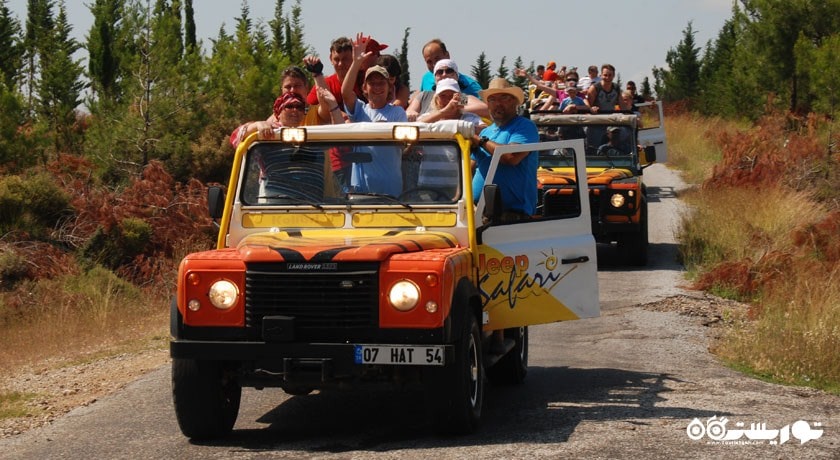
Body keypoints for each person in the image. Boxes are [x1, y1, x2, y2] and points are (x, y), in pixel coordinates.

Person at [342, 33, 407, 196]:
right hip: (361, 191)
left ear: (389, 87)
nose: (377, 87)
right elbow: (345, 92)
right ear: (364, 88)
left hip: (391, 190)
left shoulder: (397, 113)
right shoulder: (360, 110)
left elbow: (404, 144)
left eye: (381, 83)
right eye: (372, 83)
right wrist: (356, 62)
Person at [471, 77, 539, 223]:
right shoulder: (485, 133)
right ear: (488, 104)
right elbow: (469, 166)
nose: (498, 104)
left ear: (515, 102)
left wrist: (480, 141)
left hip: (511, 216)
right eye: (492, 99)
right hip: (478, 213)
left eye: (504, 98)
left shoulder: (525, 126)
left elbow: (510, 157)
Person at [414, 78, 485, 197]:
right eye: (443, 96)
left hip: (459, 187)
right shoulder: (428, 117)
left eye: (452, 96)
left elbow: (485, 131)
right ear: (436, 99)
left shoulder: (470, 118)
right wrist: (443, 113)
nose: (448, 100)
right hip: (428, 184)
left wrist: (462, 122)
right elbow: (415, 128)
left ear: (460, 98)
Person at [407, 59, 488, 121]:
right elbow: (409, 112)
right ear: (434, 78)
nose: (444, 74)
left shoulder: (460, 98)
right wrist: (411, 113)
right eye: (440, 72)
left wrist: (457, 109)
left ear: (457, 76)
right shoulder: (425, 95)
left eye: (449, 71)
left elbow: (485, 109)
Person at [418, 38, 483, 97]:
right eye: (429, 61)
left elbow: (482, 107)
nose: (434, 64)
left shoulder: (470, 86)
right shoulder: (426, 78)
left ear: (447, 55)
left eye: (449, 71)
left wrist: (458, 103)